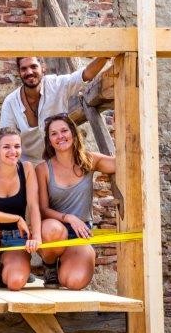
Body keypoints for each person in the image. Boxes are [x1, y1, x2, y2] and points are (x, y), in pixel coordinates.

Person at [36, 114, 115, 289]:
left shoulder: (89, 160)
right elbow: (43, 209)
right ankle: (50, 265)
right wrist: (69, 218)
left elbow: (122, 164)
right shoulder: (43, 169)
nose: (60, 136)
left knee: (73, 282)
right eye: (54, 134)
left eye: (64, 131)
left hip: (81, 232)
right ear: (49, 140)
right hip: (54, 229)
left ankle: (66, 263)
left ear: (73, 132)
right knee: (52, 229)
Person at [0, 56, 108, 164]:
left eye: (33, 66)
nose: (29, 72)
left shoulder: (56, 85)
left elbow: (85, 75)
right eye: (24, 69)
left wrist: (105, 56)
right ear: (19, 72)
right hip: (27, 166)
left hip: (59, 163)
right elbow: (6, 140)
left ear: (43, 67)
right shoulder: (10, 103)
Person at [0, 127, 42, 290]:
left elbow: (34, 205)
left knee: (15, 282)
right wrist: (17, 218)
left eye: (17, 146)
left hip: (17, 238)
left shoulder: (27, 169)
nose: (13, 151)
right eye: (6, 147)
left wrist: (37, 236)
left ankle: (7, 270)